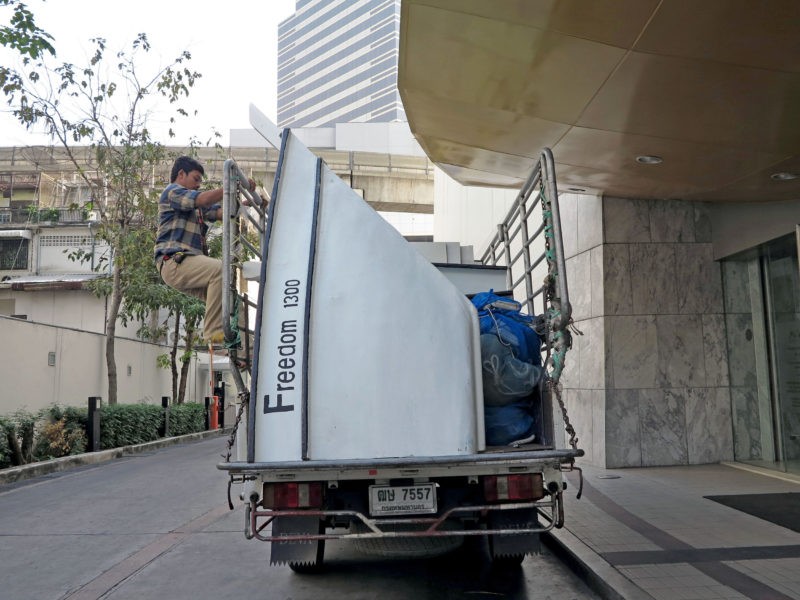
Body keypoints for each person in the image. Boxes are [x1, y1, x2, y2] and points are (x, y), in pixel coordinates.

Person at [154, 155, 255, 349]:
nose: (198, 185)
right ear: (181, 174)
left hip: (187, 263)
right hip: (174, 262)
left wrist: (248, 202)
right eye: (196, 179)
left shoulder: (197, 208)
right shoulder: (172, 192)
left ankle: (243, 352)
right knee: (220, 271)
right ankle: (213, 333)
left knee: (232, 297)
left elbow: (223, 212)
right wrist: (230, 186)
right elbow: (203, 198)